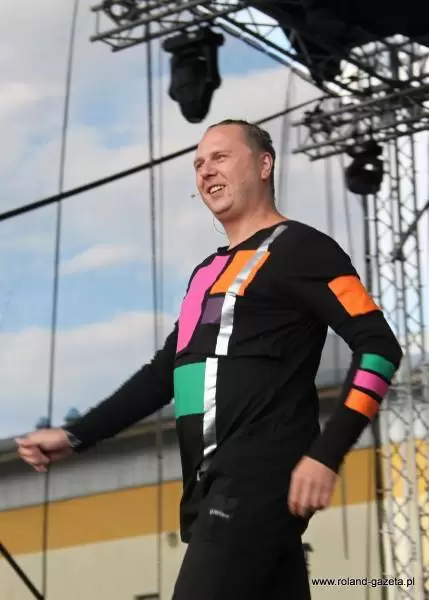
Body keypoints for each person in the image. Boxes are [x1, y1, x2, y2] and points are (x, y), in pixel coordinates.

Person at [16, 119, 403, 599]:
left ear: (264, 165)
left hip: (255, 481)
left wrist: (327, 454)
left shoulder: (302, 249)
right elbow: (164, 373)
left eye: (220, 157)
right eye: (198, 164)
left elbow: (379, 348)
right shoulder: (206, 272)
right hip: (211, 488)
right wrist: (77, 435)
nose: (205, 171)